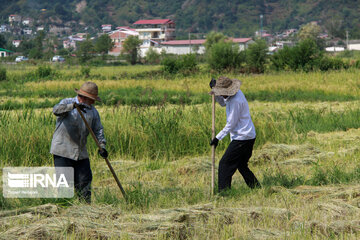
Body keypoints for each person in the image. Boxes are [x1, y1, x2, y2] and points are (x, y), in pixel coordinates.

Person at [50, 81, 108, 203]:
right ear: (84, 97)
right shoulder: (66, 102)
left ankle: (85, 210)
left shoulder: (93, 112)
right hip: (63, 150)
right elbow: (56, 110)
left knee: (85, 181)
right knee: (64, 185)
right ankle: (64, 211)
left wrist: (102, 146)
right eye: (92, 99)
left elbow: (98, 129)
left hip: (80, 152)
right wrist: (73, 106)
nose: (93, 102)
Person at [209, 76, 261, 193]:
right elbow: (223, 103)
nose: (222, 95)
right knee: (241, 165)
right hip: (248, 135)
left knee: (224, 164)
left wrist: (217, 138)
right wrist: (215, 89)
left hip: (242, 138)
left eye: (222, 93)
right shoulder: (235, 94)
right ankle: (257, 188)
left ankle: (224, 193)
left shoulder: (236, 101)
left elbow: (231, 124)